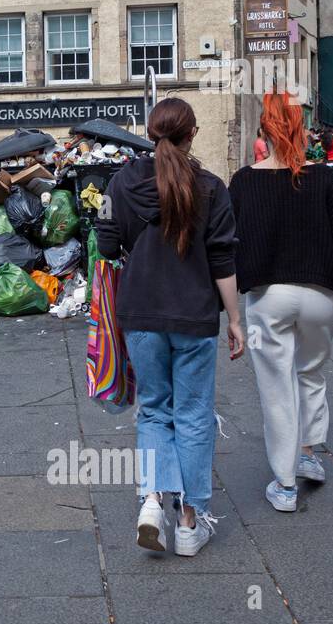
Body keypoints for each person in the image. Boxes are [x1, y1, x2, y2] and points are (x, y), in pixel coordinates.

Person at [95, 98, 244, 557]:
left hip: (140, 311)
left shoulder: (122, 182)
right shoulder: (212, 187)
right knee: (194, 414)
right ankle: (188, 521)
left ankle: (152, 501)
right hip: (195, 316)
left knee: (155, 410)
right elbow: (223, 257)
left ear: (149, 132)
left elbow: (106, 243)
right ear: (192, 135)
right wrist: (235, 319)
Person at [229, 93, 333, 512]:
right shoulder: (326, 179)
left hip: (267, 297)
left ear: (264, 131)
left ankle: (285, 483)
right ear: (302, 130)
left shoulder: (242, 182)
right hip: (322, 297)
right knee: (310, 374)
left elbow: (228, 246)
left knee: (276, 388)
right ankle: (309, 455)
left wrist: (228, 308)